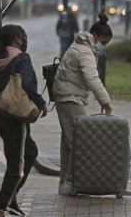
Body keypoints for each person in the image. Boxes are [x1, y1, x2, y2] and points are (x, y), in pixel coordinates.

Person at [0, 25, 47, 217]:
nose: (24, 40)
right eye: (21, 37)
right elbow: (27, 84)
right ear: (16, 40)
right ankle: (2, 207)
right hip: (13, 116)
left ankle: (12, 199)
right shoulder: (21, 58)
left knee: (30, 151)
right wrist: (41, 103)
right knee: (17, 163)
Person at [53, 13, 113, 195]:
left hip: (66, 95)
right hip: (70, 97)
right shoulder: (85, 51)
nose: (103, 46)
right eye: (102, 42)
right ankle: (71, 182)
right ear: (94, 35)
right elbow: (92, 77)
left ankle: (65, 182)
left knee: (69, 142)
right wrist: (106, 100)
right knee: (81, 141)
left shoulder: (79, 45)